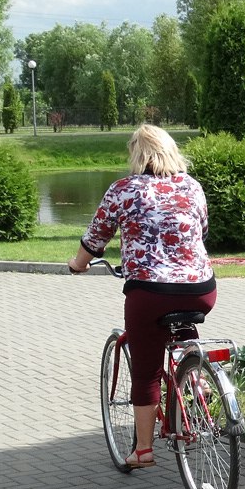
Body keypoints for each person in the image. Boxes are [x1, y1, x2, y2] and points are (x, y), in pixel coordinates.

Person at [68, 124, 215, 468]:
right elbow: (202, 231)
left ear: (137, 154)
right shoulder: (192, 186)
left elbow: (95, 239)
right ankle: (196, 378)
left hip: (149, 292)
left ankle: (144, 450)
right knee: (182, 320)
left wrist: (78, 264)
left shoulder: (123, 190)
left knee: (147, 372)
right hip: (201, 289)